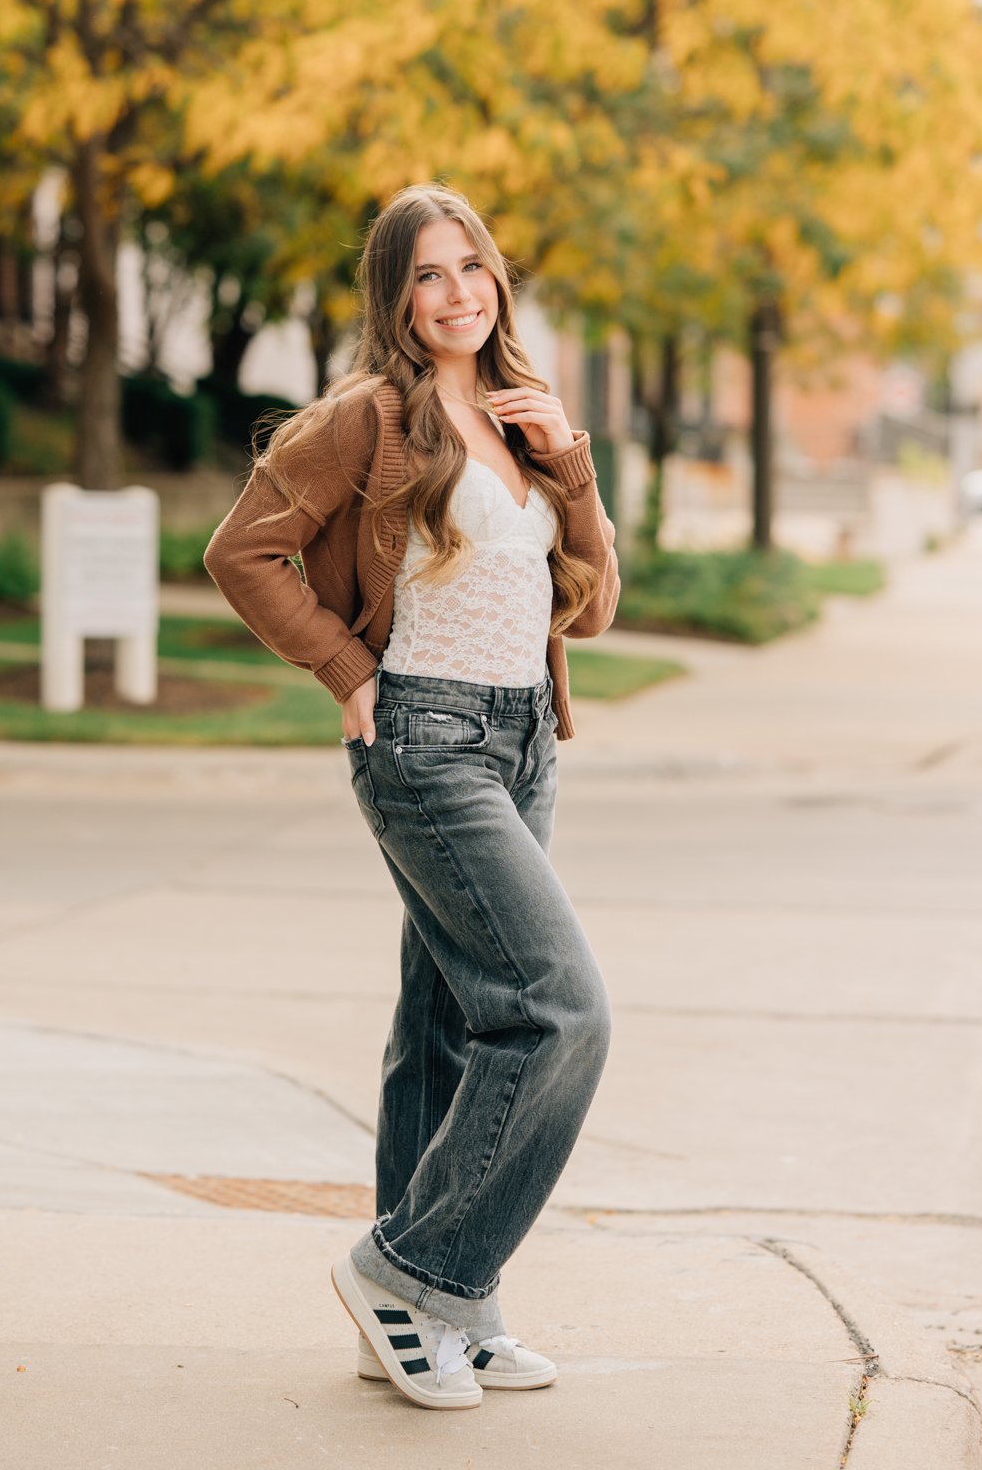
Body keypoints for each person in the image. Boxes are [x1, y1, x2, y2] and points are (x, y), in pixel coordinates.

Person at [203, 181, 621, 1412]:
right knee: (559, 1008)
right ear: (395, 296)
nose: (457, 293)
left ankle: (452, 1303)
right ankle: (410, 1266)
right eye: (428, 274)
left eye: (473, 266)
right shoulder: (367, 416)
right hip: (425, 735)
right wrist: (346, 669)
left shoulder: (519, 413)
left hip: (523, 736)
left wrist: (573, 466)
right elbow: (242, 550)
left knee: (449, 1017)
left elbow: (594, 607)